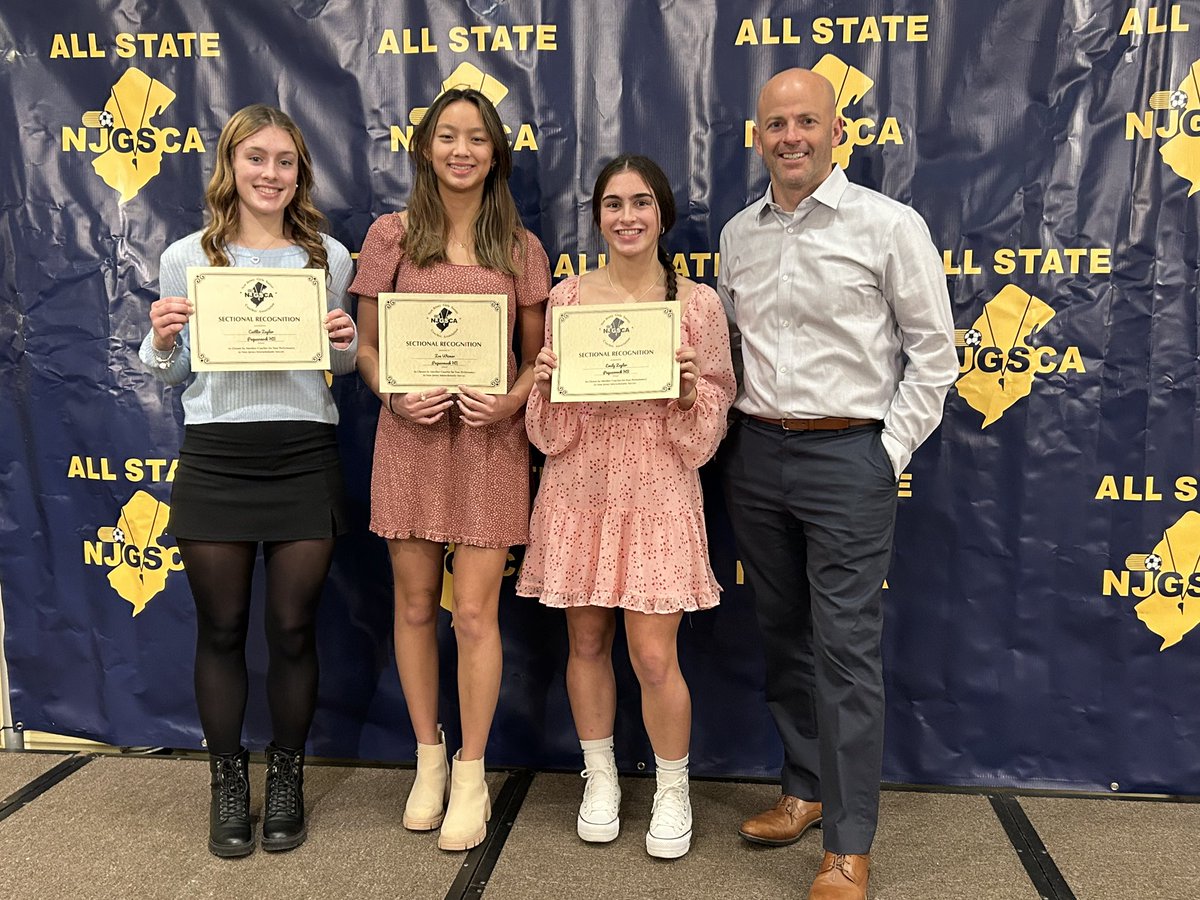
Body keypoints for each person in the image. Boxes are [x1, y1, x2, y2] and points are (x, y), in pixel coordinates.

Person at [717, 69, 957, 900]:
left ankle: (850, 845)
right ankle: (805, 790)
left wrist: (880, 453)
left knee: (846, 652)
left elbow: (936, 356)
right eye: (776, 123)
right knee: (781, 635)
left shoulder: (889, 226)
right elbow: (730, 354)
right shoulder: (738, 235)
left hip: (847, 457)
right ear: (759, 136)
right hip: (755, 457)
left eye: (806, 122)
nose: (791, 136)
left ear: (835, 131)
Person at [140, 104, 357, 858]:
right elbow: (177, 374)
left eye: (285, 161)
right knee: (222, 628)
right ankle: (228, 779)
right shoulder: (184, 258)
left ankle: (287, 776)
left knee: (294, 629)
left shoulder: (327, 255)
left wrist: (348, 342)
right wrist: (161, 340)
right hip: (218, 455)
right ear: (231, 165)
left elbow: (337, 371)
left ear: (301, 172)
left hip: (302, 451)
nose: (271, 173)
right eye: (256, 158)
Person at [517, 155, 736, 859]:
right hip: (580, 486)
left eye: (641, 202)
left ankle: (673, 788)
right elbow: (549, 434)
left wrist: (685, 397)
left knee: (650, 653)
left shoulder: (697, 304)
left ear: (663, 213)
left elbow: (712, 424)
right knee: (585, 643)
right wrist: (545, 385)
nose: (628, 217)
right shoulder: (568, 298)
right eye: (613, 204)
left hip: (660, 488)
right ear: (598, 217)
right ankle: (600, 776)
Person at [351, 87, 549, 852]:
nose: (460, 150)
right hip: (410, 441)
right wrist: (391, 393)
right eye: (446, 136)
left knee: (473, 616)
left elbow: (537, 362)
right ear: (425, 147)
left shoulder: (520, 248)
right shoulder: (389, 236)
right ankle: (426, 759)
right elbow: (367, 349)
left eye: (475, 138)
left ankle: (472, 771)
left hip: (490, 446)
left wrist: (509, 406)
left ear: (495, 152)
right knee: (410, 609)